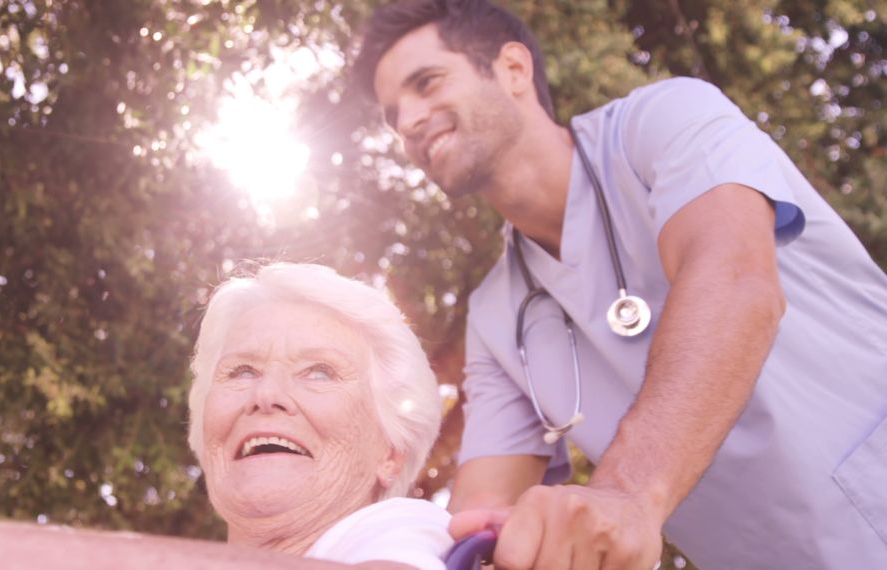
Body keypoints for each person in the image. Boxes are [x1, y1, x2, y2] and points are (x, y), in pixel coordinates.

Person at [353, 0, 887, 568]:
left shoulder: (664, 119)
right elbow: (483, 507)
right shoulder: (494, 314)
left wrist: (627, 494)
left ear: (513, 70)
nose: (408, 122)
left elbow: (736, 280)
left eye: (427, 82)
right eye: (393, 114)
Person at [0, 263, 453, 570]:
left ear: (389, 452)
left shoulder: (405, 533)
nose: (267, 396)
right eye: (241, 372)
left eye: (318, 372)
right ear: (205, 434)